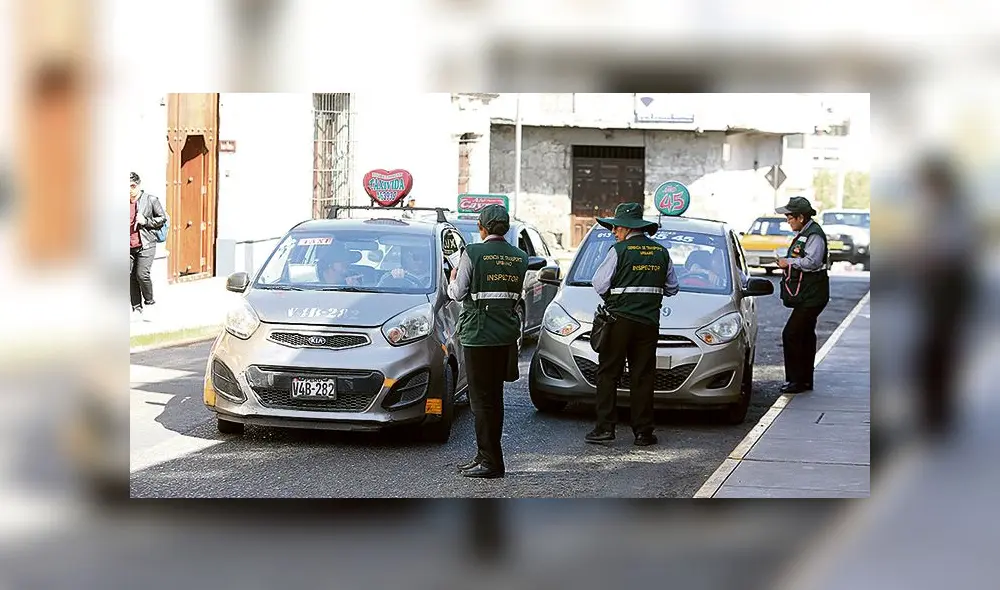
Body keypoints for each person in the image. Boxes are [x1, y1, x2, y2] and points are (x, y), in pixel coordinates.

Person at [588, 202, 679, 446]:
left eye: (616, 228)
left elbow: (599, 284)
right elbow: (672, 288)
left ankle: (605, 428)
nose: (614, 233)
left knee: (608, 373)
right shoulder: (661, 252)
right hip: (648, 323)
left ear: (627, 228)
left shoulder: (619, 250)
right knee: (642, 376)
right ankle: (643, 432)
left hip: (618, 322)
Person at [447, 204, 528, 478]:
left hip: (479, 336)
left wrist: (451, 278)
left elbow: (458, 293)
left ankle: (489, 461)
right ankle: (489, 457)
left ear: (482, 227)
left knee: (480, 402)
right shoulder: (519, 257)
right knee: (494, 399)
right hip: (505, 336)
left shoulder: (473, 252)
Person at [775, 196, 830, 394]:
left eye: (790, 217)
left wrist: (789, 263)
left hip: (812, 295)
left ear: (801, 217)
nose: (788, 221)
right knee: (805, 336)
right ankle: (805, 380)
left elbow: (812, 262)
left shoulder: (814, 235)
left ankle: (796, 381)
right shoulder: (804, 233)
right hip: (807, 293)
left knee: (791, 333)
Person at [130, 172, 167, 321]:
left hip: (146, 243)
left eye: (132, 186)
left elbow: (162, 218)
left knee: (141, 274)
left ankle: (150, 303)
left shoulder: (150, 200)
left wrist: (146, 221)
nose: (130, 190)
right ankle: (136, 308)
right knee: (129, 276)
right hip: (128, 244)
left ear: (138, 185)